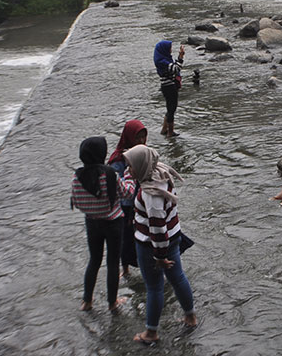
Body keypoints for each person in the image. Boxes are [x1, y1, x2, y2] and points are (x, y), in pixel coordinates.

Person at [125, 144, 196, 344]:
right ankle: (190, 317)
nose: (128, 170)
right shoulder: (159, 173)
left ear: (142, 166)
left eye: (131, 166)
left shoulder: (151, 194)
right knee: (178, 277)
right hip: (174, 238)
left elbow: (158, 229)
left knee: (154, 287)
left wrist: (160, 257)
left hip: (152, 246)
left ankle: (151, 333)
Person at [71, 136, 135, 314]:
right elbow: (128, 194)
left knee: (94, 261)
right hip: (113, 224)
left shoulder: (77, 176)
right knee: (113, 262)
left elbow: (76, 201)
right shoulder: (110, 174)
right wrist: (129, 175)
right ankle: (112, 303)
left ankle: (87, 301)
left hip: (91, 222)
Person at [108, 119, 147, 277]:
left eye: (144, 137)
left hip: (142, 200)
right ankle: (125, 269)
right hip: (126, 205)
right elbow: (118, 186)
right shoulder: (118, 159)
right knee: (126, 238)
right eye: (138, 138)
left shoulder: (143, 153)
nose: (142, 141)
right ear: (130, 137)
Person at [153, 40, 184, 137]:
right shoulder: (163, 62)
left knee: (169, 107)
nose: (171, 50)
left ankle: (164, 129)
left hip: (167, 86)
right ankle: (170, 132)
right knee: (172, 109)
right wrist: (181, 57)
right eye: (169, 48)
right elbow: (176, 69)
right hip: (169, 87)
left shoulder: (162, 59)